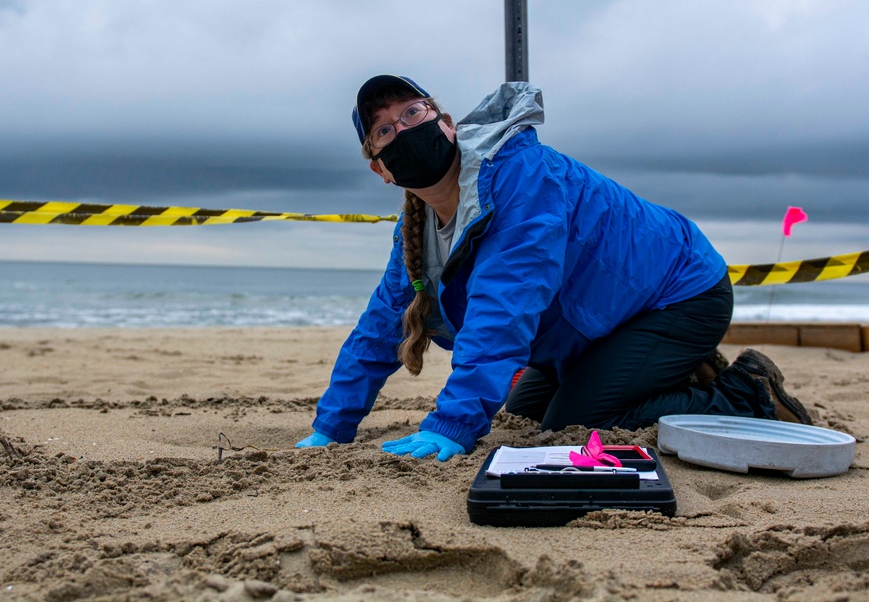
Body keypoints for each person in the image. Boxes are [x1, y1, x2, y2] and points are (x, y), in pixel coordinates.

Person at [295, 75, 812, 462]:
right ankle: (662, 372)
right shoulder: (416, 231)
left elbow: (504, 306)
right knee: (525, 417)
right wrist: (332, 425)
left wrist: (452, 425)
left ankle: (745, 393)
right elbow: (381, 325)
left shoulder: (521, 178)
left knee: (576, 422)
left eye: (413, 112)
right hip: (594, 321)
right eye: (385, 130)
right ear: (380, 169)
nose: (403, 129)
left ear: (446, 124)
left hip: (677, 293)